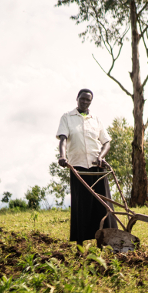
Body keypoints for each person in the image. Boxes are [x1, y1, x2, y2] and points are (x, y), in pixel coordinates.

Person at [56, 89, 117, 246]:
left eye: (88, 100)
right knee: (81, 206)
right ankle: (80, 244)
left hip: (97, 167)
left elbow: (106, 142)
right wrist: (62, 156)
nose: (85, 102)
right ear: (77, 99)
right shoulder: (67, 117)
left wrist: (101, 157)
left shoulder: (95, 119)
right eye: (82, 99)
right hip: (78, 167)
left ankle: (103, 242)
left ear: (91, 102)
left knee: (102, 205)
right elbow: (63, 139)